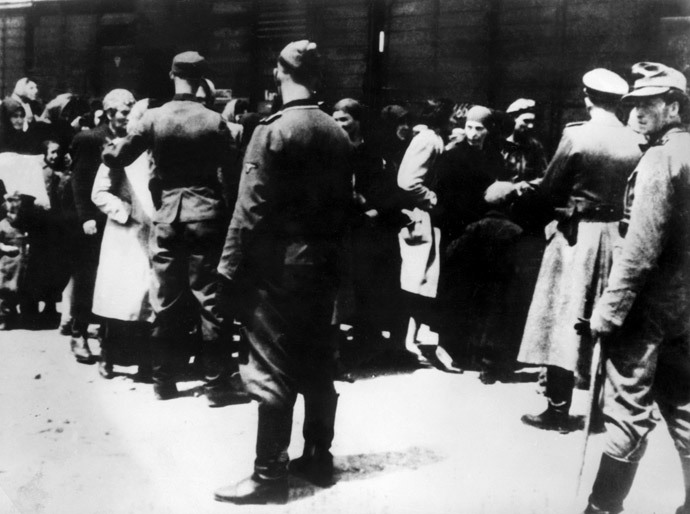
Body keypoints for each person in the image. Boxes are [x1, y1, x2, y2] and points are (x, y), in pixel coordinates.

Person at [213, 40, 351, 505]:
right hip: (323, 265)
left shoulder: (272, 129)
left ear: (281, 72)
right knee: (317, 360)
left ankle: (268, 474)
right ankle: (318, 456)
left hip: (278, 269)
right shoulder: (336, 130)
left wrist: (228, 268)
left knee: (271, 365)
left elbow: (249, 209)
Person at [102, 51, 245, 406]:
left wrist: (110, 151)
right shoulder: (215, 120)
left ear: (172, 75)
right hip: (206, 216)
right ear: (202, 79)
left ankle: (164, 381)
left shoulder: (153, 118)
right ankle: (215, 385)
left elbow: (118, 156)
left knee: (166, 300)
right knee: (210, 301)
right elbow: (231, 172)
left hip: (167, 217)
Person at [582, 62, 690, 514]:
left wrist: (608, 312)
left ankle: (602, 508)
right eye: (633, 105)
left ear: (674, 106)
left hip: (646, 309)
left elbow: (640, 249)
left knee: (626, 408)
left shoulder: (661, 159)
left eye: (650, 104)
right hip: (683, 307)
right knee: (683, 404)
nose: (639, 113)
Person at [517, 69, 642, 432]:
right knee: (606, 320)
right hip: (619, 237)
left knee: (563, 318)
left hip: (577, 236)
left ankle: (557, 410)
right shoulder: (635, 139)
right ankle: (601, 412)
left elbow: (550, 190)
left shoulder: (577, 135)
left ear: (586, 96)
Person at [70, 89, 136, 365]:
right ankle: (79, 333)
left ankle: (109, 337)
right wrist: (86, 217)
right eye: (124, 111)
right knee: (87, 276)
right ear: (110, 113)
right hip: (93, 222)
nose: (129, 116)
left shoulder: (131, 139)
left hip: (120, 221)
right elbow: (79, 182)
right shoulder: (90, 139)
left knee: (112, 278)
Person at [91, 99, 155, 381]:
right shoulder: (118, 150)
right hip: (124, 234)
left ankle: (144, 362)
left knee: (145, 300)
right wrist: (124, 211)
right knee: (118, 298)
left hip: (150, 233)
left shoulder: (158, 152)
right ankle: (108, 356)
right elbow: (99, 192)